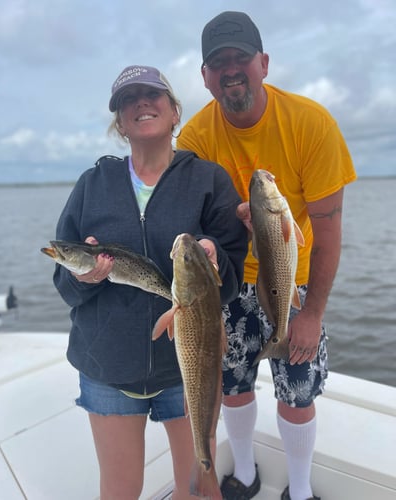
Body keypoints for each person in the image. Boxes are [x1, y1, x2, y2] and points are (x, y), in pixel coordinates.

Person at [177, 11, 357, 500]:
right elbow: (196, 221)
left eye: (241, 58)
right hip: (231, 282)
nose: (231, 69)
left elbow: (328, 225)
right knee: (231, 386)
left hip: (291, 283)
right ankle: (247, 475)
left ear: (264, 63)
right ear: (206, 77)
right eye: (219, 62)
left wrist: (312, 312)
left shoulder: (310, 123)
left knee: (297, 394)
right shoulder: (193, 138)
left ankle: (298, 491)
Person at [53, 64, 248, 500]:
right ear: (120, 123)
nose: (142, 103)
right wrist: (87, 279)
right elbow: (63, 282)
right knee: (119, 491)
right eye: (129, 99)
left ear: (175, 111)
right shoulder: (92, 184)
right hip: (109, 366)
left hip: (188, 366)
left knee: (200, 486)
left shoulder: (208, 180)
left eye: (152, 95)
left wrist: (215, 258)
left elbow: (233, 274)